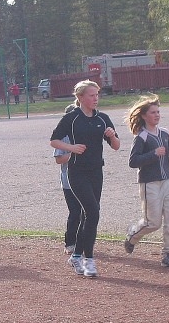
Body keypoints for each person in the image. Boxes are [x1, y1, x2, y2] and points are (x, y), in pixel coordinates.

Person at [50, 80, 120, 277]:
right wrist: (71, 148)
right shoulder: (71, 119)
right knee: (93, 212)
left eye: (97, 95)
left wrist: (112, 136)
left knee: (87, 215)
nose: (95, 98)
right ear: (80, 97)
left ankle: (76, 256)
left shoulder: (103, 118)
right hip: (76, 172)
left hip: (96, 172)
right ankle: (89, 260)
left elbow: (116, 146)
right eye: (91, 95)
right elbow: (54, 140)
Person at [124, 94, 169, 268]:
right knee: (153, 223)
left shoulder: (164, 133)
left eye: (158, 112)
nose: (157, 115)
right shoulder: (142, 137)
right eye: (153, 112)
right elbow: (133, 161)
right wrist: (153, 154)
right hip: (149, 183)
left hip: (168, 181)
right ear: (144, 116)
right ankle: (132, 236)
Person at [53, 104, 80, 255]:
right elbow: (59, 159)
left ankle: (83, 241)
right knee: (75, 212)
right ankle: (70, 242)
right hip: (69, 182)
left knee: (88, 212)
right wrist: (74, 153)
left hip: (86, 180)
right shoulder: (63, 137)